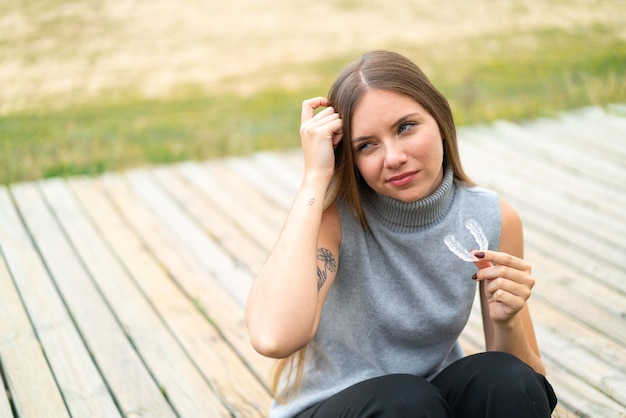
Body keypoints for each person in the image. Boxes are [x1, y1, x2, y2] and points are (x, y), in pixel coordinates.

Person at [245, 50, 557, 417]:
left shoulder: (491, 218)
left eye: (405, 127)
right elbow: (273, 337)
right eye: (367, 145)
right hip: (337, 408)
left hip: (425, 404)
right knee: (403, 400)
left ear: (439, 119)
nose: (393, 157)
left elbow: (531, 387)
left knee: (504, 378)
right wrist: (315, 178)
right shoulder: (334, 223)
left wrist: (506, 323)